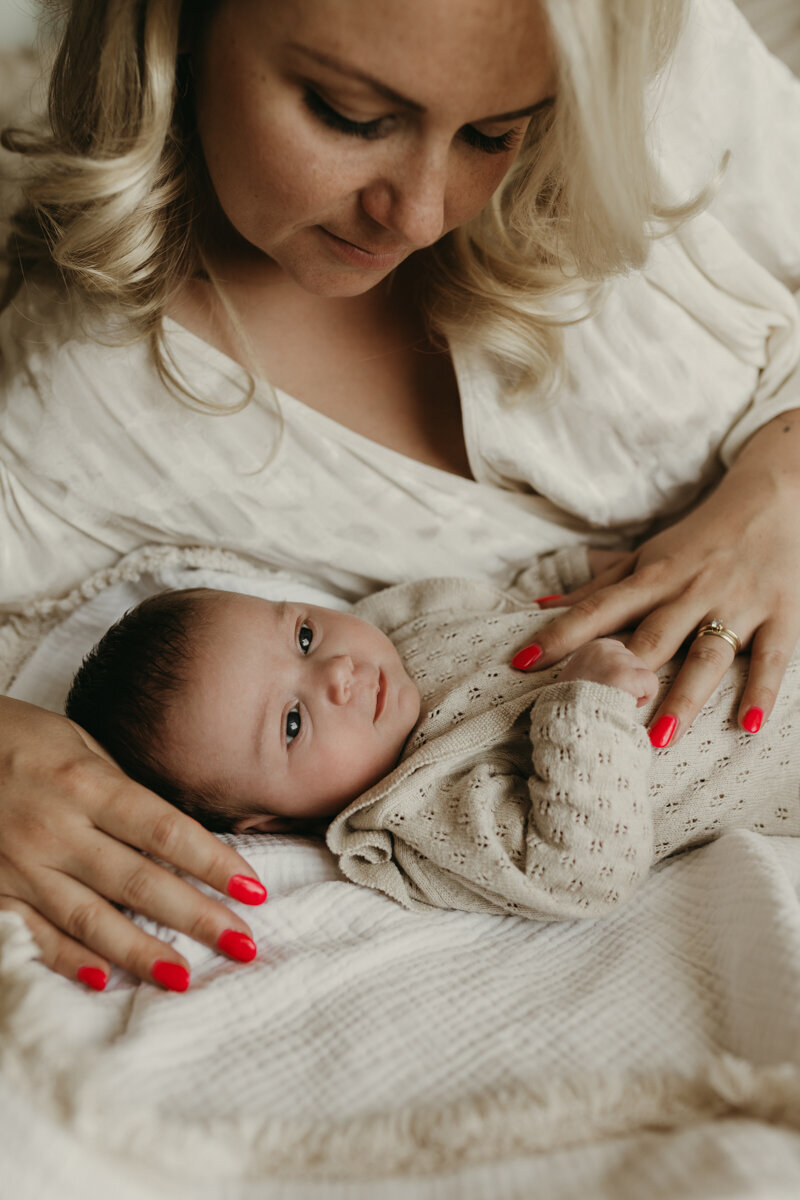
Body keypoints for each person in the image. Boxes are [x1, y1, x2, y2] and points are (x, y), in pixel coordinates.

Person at [1, 0, 799, 989]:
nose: (419, 214)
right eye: (348, 114)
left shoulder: (641, 54)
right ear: (177, 27)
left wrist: (779, 486)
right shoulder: (78, 408)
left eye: (494, 133)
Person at [62, 567, 800, 921]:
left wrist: (613, 573)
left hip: (757, 605)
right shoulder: (417, 816)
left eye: (304, 634)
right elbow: (583, 874)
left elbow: (528, 592)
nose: (340, 674)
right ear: (273, 823)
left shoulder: (401, 626)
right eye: (293, 722)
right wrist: (591, 702)